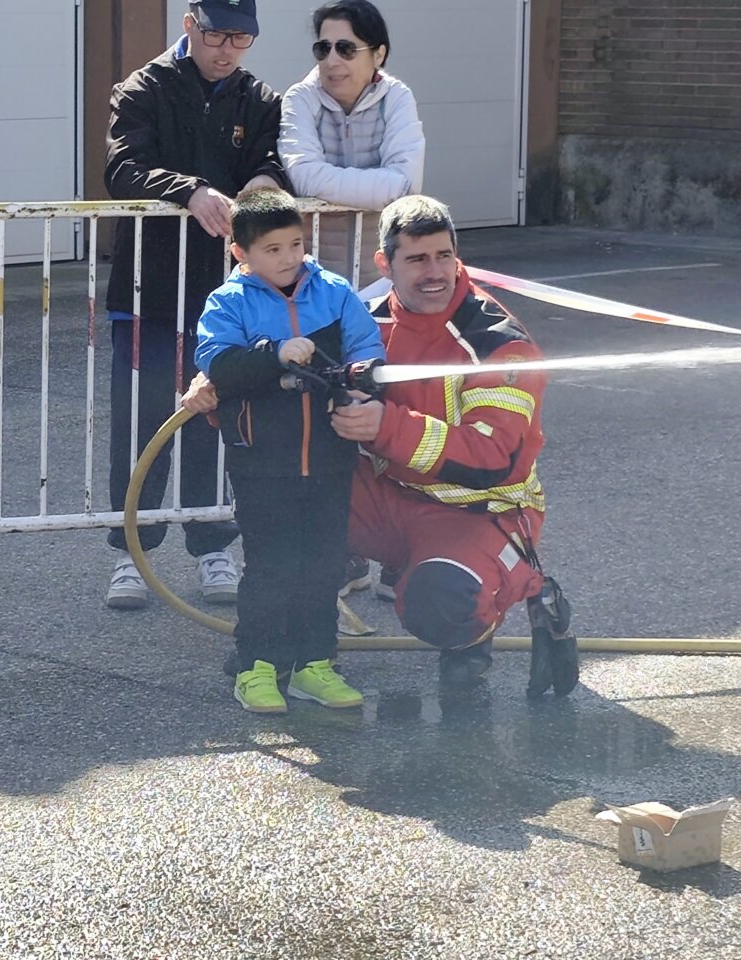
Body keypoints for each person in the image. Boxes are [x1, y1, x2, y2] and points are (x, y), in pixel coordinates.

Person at [329, 195, 577, 692]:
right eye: (417, 259)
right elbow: (291, 369)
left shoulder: (499, 342)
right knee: (287, 503)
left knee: (443, 601)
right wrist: (217, 379)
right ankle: (304, 646)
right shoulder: (360, 319)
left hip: (482, 510)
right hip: (388, 496)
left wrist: (384, 426)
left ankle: (506, 602)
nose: (434, 272)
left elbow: (492, 459)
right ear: (385, 264)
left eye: (444, 256)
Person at [103, 0, 290, 610]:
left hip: (225, 295)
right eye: (217, 35)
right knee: (143, 416)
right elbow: (121, 167)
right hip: (147, 291)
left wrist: (265, 182)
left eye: (242, 38)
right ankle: (131, 552)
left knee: (221, 411)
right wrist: (191, 190)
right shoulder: (142, 88)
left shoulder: (258, 98)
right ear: (190, 26)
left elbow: (269, 158)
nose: (227, 50)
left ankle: (214, 545)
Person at [192, 187, 384, 713]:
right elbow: (219, 364)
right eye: (272, 249)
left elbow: (368, 349)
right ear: (242, 254)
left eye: (296, 245)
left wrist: (360, 386)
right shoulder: (228, 303)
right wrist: (275, 354)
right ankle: (256, 666)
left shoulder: (336, 292)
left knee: (324, 563)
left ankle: (314, 664)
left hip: (330, 454)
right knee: (272, 564)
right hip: (262, 458)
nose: (288, 258)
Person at [278, 0, 424, 287]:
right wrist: (383, 185)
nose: (332, 60)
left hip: (380, 277)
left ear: (378, 54)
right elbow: (303, 176)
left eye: (345, 49)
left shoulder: (396, 97)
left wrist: (327, 180)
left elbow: (407, 184)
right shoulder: (300, 98)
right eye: (323, 49)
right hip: (310, 278)